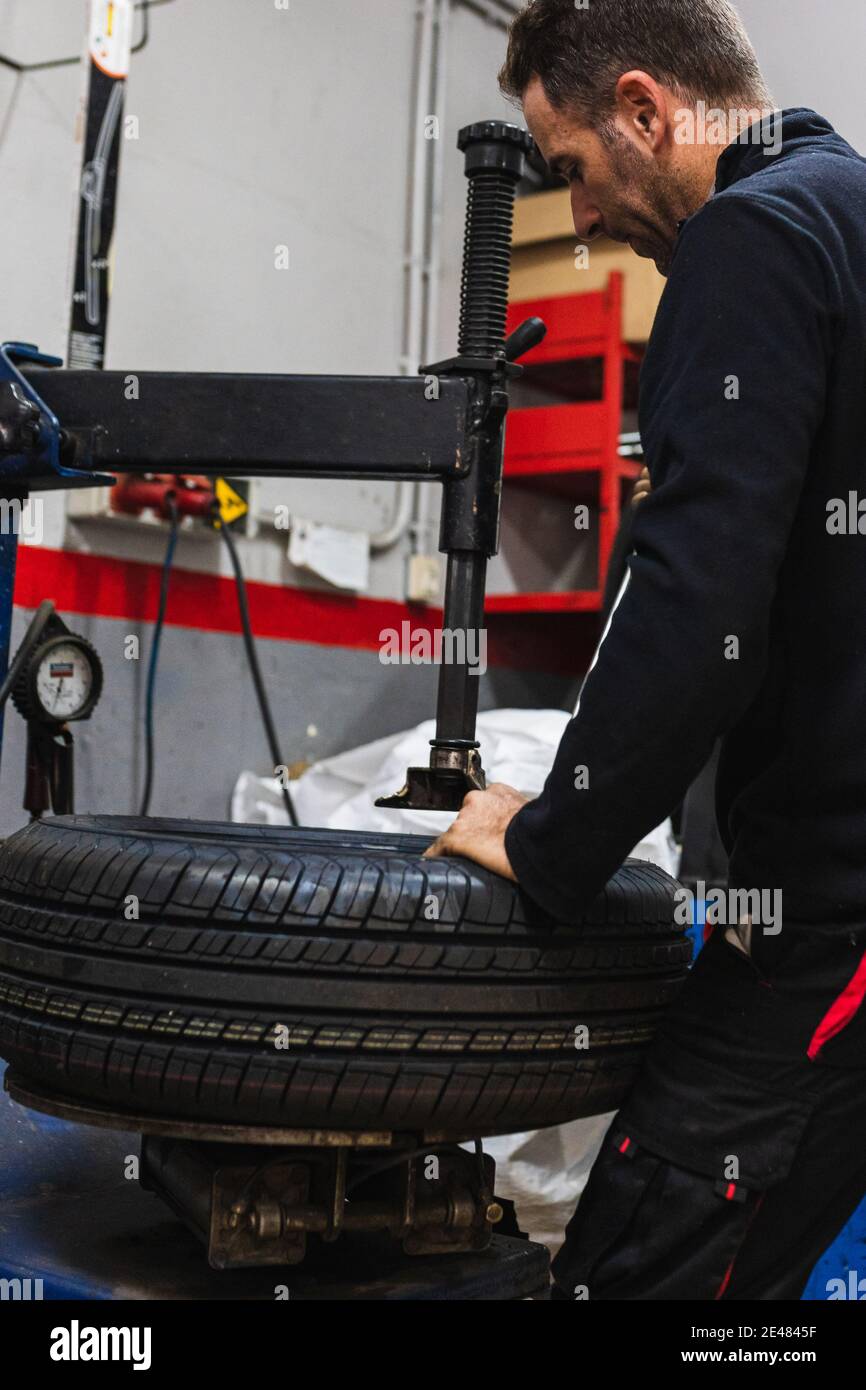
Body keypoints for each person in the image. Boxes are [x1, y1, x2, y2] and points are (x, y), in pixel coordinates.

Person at [425, 0, 866, 1299]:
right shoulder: (845, 213)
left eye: (568, 171)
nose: (582, 220)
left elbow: (696, 602)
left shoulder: (754, 237)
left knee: (643, 1255)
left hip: (826, 926)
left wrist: (555, 835)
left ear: (643, 108)